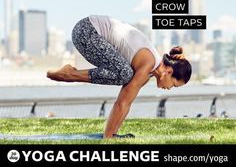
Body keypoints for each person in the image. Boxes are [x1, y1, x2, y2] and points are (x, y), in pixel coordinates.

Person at [47, 17, 192, 138]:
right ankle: (68, 73)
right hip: (85, 31)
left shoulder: (148, 73)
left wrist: (114, 135)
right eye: (174, 84)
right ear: (169, 71)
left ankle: (111, 135)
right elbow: (121, 103)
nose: (169, 88)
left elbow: (126, 103)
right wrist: (108, 138)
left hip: (89, 34)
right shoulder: (149, 62)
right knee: (125, 74)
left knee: (126, 75)